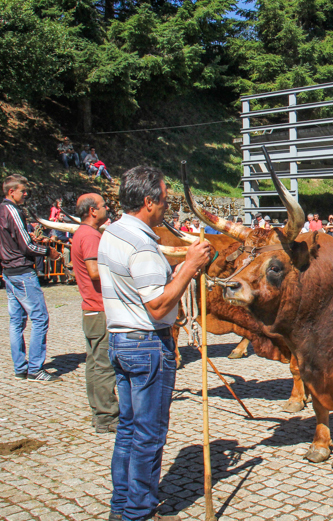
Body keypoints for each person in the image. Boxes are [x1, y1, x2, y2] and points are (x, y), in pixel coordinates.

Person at [98, 166, 214, 521]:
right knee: (148, 435)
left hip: (120, 340)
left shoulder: (112, 233)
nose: (167, 206)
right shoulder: (142, 244)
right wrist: (190, 265)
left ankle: (121, 508)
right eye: (164, 200)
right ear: (148, 201)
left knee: (129, 432)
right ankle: (140, 512)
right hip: (147, 345)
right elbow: (159, 304)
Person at [0, 175, 61, 381]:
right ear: (11, 192)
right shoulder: (13, 210)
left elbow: (15, 240)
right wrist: (47, 251)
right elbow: (27, 246)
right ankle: (35, 368)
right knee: (40, 318)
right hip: (22, 272)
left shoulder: (1, 211)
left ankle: (20, 367)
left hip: (9, 271)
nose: (25, 194)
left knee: (16, 321)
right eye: (22, 191)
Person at [72, 193, 120, 433]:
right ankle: (107, 417)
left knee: (94, 363)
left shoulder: (81, 233)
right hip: (100, 309)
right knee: (103, 365)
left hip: (90, 309)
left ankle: (100, 411)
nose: (107, 208)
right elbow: (94, 271)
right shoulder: (90, 235)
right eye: (103, 206)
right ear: (92, 211)